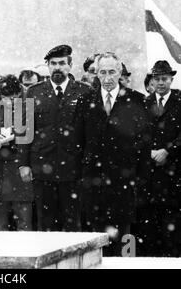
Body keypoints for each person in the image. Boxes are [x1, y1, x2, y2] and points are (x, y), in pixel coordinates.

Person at [76, 52, 151, 256]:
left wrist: (141, 180)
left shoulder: (137, 101)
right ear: (96, 74)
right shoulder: (85, 101)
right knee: (94, 241)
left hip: (125, 182)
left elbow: (144, 145)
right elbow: (78, 142)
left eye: (111, 72)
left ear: (120, 72)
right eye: (102, 72)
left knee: (125, 239)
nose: (107, 77)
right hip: (93, 182)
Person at [18, 45, 92, 232]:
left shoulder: (84, 91)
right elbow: (24, 130)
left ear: (70, 65)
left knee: (72, 221)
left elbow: (90, 133)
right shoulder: (33, 92)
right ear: (48, 66)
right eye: (53, 64)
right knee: (45, 222)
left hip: (73, 166)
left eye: (61, 63)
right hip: (42, 165)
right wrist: (23, 163)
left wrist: (88, 164)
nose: (57, 67)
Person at [140, 60, 181, 257]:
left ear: (171, 79)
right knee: (150, 222)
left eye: (164, 78)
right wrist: (148, 152)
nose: (161, 83)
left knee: (173, 222)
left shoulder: (180, 100)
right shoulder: (143, 102)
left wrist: (169, 150)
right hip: (149, 174)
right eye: (157, 79)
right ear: (152, 81)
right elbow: (135, 134)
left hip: (175, 172)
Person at [0, 75, 34, 231]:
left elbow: (33, 131)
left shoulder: (28, 103)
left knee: (23, 216)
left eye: (13, 99)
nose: (9, 102)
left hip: (21, 164)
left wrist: (14, 137)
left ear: (19, 93)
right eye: (6, 99)